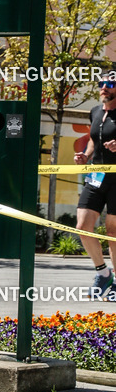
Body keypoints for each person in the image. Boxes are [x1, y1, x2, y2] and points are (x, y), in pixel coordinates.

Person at [74, 75, 116, 297]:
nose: (104, 88)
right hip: (96, 176)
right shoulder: (95, 111)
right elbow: (93, 140)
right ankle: (103, 273)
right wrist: (85, 155)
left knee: (112, 232)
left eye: (110, 84)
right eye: (101, 84)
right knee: (82, 226)